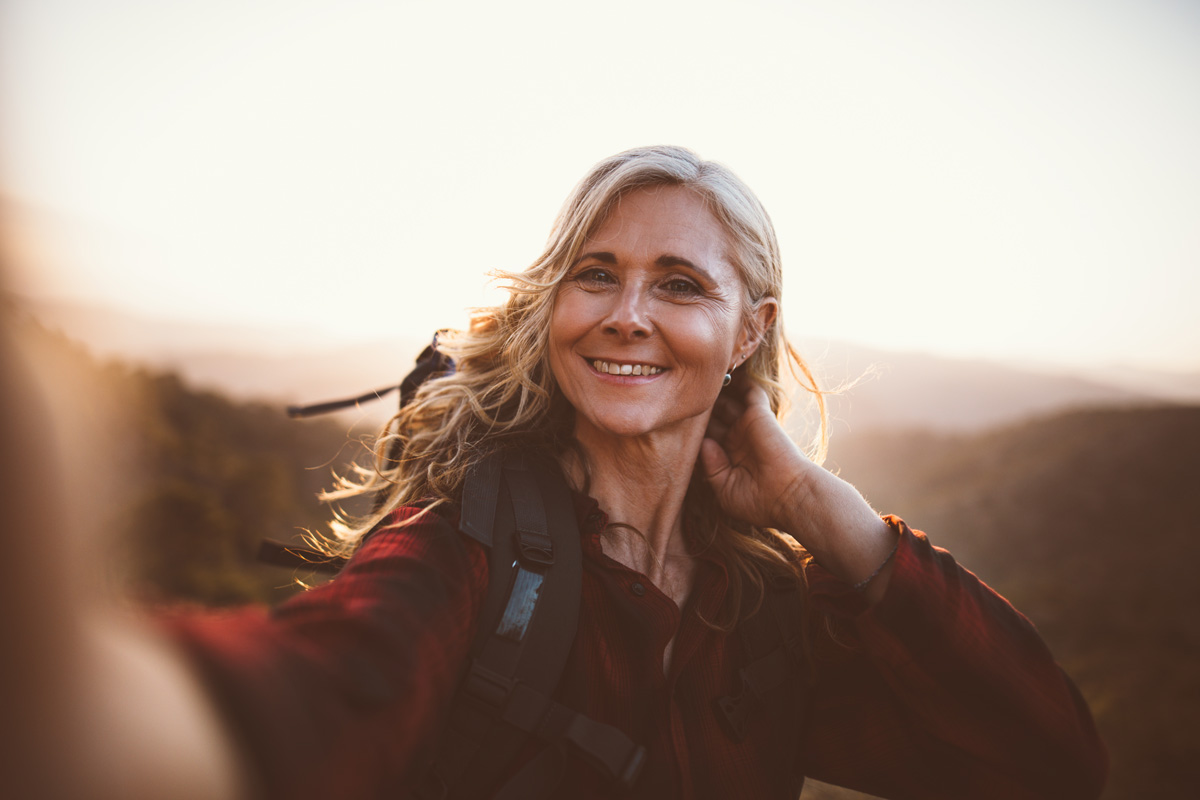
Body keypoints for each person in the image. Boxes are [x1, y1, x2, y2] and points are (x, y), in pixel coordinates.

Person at [5, 146, 1107, 800]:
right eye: (598, 274)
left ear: (748, 329)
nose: (626, 314)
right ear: (556, 305)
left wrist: (826, 511)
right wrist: (85, 698)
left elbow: (1042, 757)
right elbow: (329, 692)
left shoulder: (762, 607)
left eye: (680, 283)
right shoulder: (470, 547)